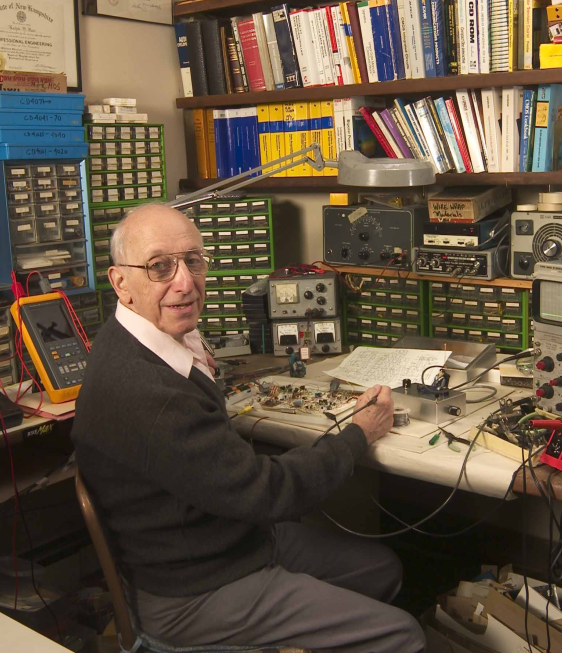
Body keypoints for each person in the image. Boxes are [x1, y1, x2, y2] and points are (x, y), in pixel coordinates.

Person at [72, 204, 426, 653]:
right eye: (160, 267)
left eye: (193, 261)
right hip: (195, 590)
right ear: (121, 282)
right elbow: (267, 493)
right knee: (404, 636)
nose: (184, 282)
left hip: (227, 539)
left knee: (381, 569)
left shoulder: (138, 337)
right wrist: (357, 434)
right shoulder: (149, 393)